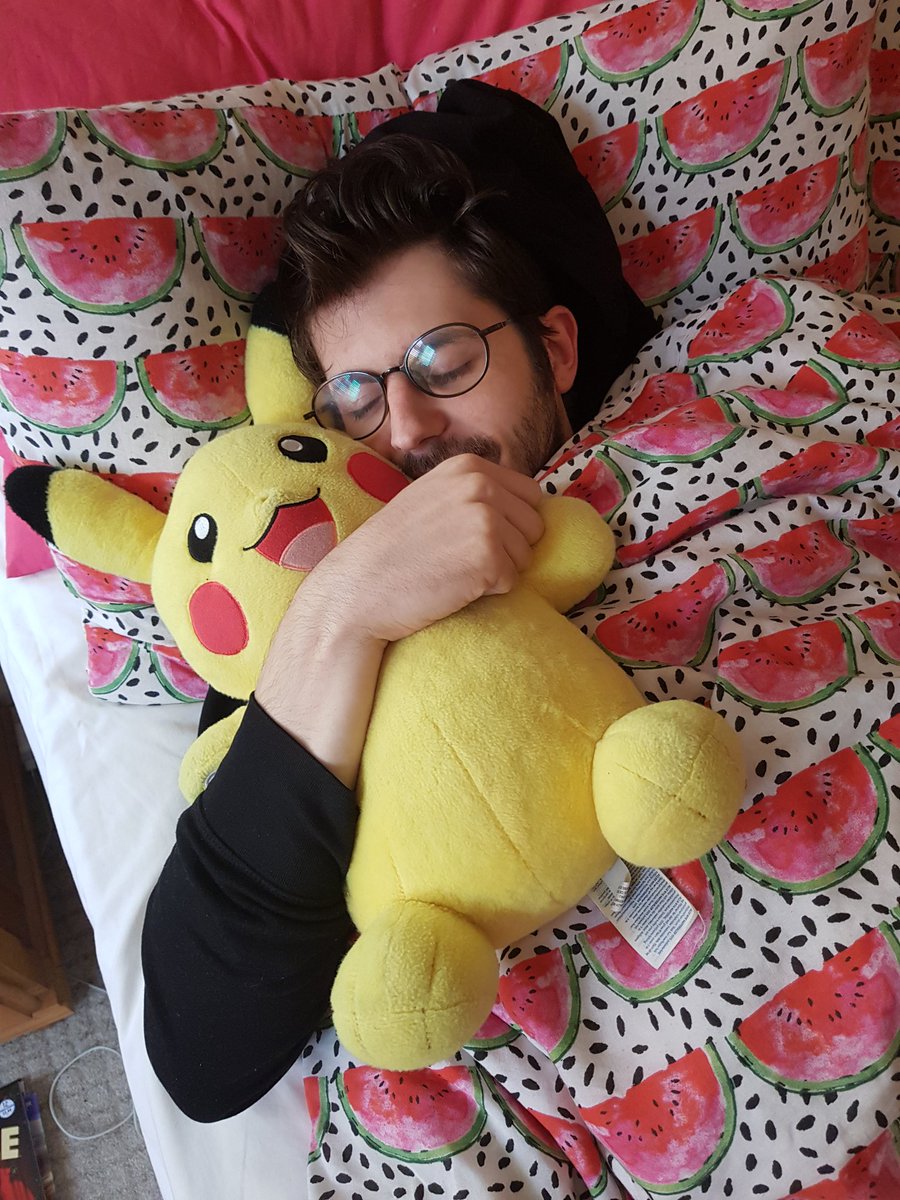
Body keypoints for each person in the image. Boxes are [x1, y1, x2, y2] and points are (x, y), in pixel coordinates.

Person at [141, 80, 657, 1124]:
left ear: (556, 349)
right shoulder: (296, 626)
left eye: (442, 358)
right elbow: (201, 1056)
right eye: (358, 397)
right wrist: (341, 612)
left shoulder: (716, 395)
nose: (408, 427)